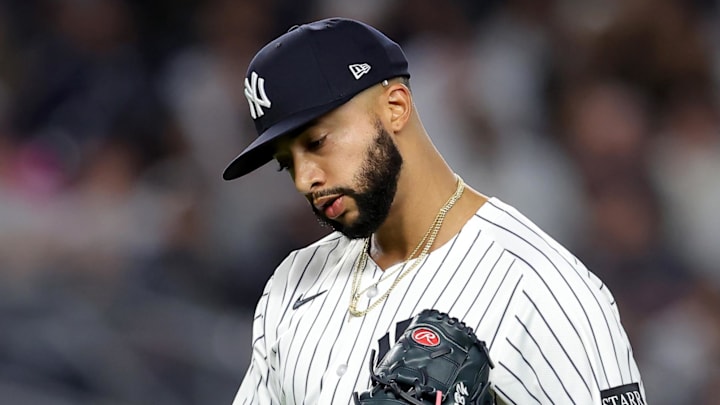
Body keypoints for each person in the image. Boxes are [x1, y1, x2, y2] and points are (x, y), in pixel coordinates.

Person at [223, 18, 646, 404]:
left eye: (317, 143)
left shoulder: (543, 288)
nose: (304, 179)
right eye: (287, 162)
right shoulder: (291, 283)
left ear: (395, 107)